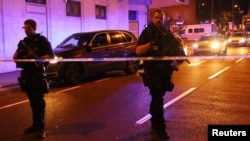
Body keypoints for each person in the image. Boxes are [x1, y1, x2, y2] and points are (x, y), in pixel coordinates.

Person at [136, 9, 185, 140]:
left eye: (160, 18)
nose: (158, 20)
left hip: (165, 73)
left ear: (163, 19)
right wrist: (151, 44)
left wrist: (177, 62)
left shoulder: (166, 33)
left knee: (157, 99)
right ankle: (160, 129)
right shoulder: (147, 32)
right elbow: (138, 51)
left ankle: (154, 120)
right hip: (152, 72)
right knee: (158, 100)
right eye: (156, 17)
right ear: (153, 18)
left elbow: (175, 50)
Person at [13, 19, 54, 139]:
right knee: (32, 102)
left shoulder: (42, 40)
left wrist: (37, 58)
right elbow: (15, 57)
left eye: (28, 28)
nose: (25, 30)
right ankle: (35, 125)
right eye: (24, 28)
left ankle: (41, 128)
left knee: (38, 102)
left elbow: (50, 56)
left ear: (33, 28)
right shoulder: (23, 42)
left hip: (37, 75)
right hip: (27, 75)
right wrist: (20, 53)